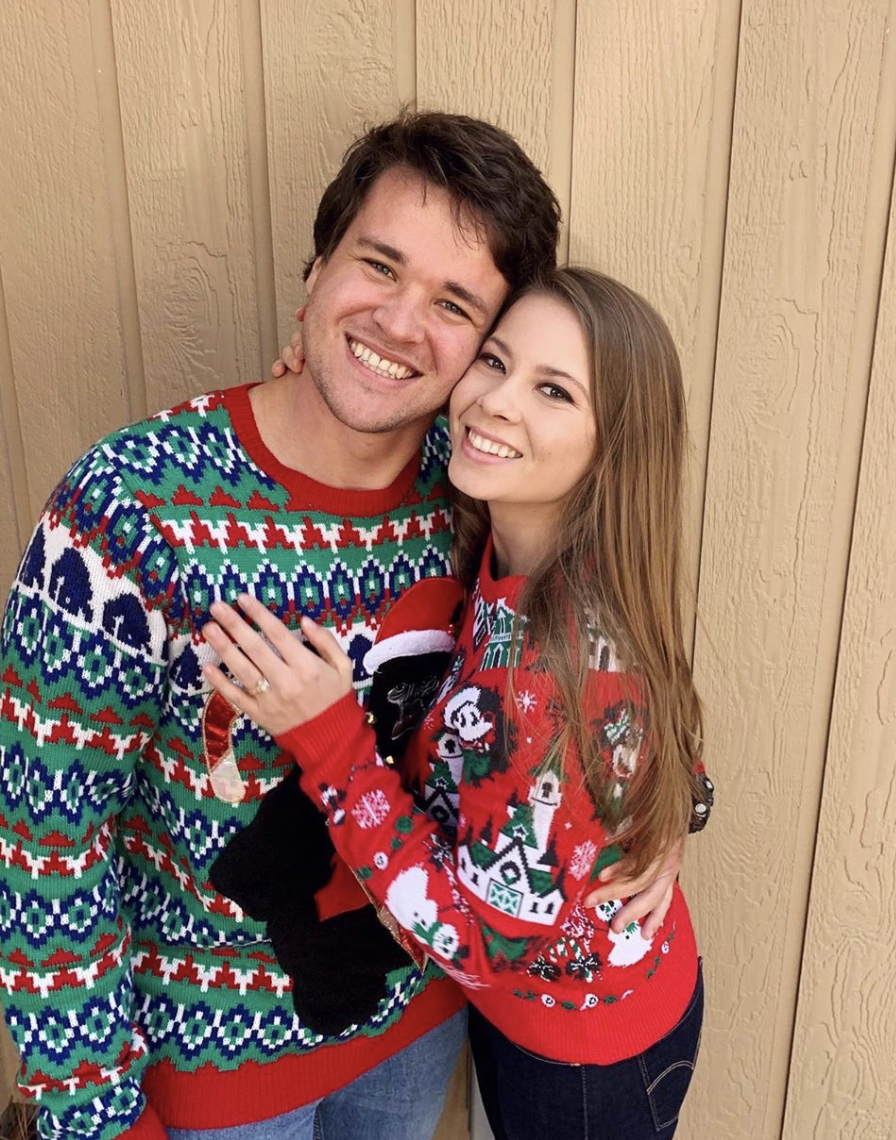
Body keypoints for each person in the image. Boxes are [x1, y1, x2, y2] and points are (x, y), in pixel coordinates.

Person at [0, 111, 559, 1140]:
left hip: (417, 1023)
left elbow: (598, 664)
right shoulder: (128, 510)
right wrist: (99, 1117)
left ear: (489, 350)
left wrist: (661, 814)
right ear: (315, 269)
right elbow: (44, 842)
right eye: (378, 265)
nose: (399, 322)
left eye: (452, 303)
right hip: (212, 1083)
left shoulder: (481, 497)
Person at [200, 267, 711, 1139]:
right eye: (495, 362)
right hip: (580, 1004)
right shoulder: (534, 540)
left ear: (612, 449)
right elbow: (658, 726)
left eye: (553, 391)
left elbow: (474, 941)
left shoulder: (554, 676)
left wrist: (331, 744)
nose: (494, 404)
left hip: (582, 1064)